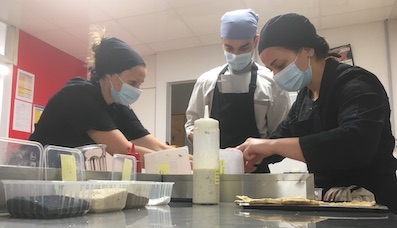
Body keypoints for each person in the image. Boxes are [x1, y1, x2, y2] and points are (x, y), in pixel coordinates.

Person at [236, 13, 397, 213]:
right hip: (330, 204)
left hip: (374, 205)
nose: (276, 76)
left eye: (279, 65)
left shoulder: (357, 84)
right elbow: (280, 140)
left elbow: (355, 143)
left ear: (307, 50)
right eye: (271, 69)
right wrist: (249, 157)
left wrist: (272, 145)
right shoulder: (305, 98)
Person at [29, 27, 173, 158]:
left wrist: (184, 157)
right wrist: (175, 161)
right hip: (30, 167)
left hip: (59, 170)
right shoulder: (79, 95)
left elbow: (155, 145)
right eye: (132, 83)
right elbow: (123, 150)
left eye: (139, 84)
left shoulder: (117, 106)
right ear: (110, 75)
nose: (136, 90)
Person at [185, 9, 290, 172]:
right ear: (222, 42)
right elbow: (191, 125)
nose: (235, 54)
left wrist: (256, 157)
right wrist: (206, 144)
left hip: (256, 171)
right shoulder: (206, 81)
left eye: (243, 47)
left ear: (255, 41)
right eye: (229, 47)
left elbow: (281, 134)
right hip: (215, 170)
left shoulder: (272, 82)